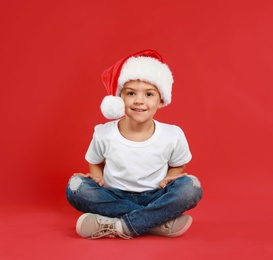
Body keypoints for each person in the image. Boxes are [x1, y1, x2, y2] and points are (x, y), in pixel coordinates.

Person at [66, 50, 202, 239]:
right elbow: (95, 161)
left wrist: (171, 177)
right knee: (75, 186)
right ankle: (156, 221)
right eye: (131, 93)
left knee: (191, 187)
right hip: (113, 195)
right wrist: (97, 178)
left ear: (161, 101)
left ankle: (120, 225)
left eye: (149, 94)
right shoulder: (104, 133)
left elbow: (178, 163)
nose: (139, 101)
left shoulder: (173, 134)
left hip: (156, 195)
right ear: (119, 98)